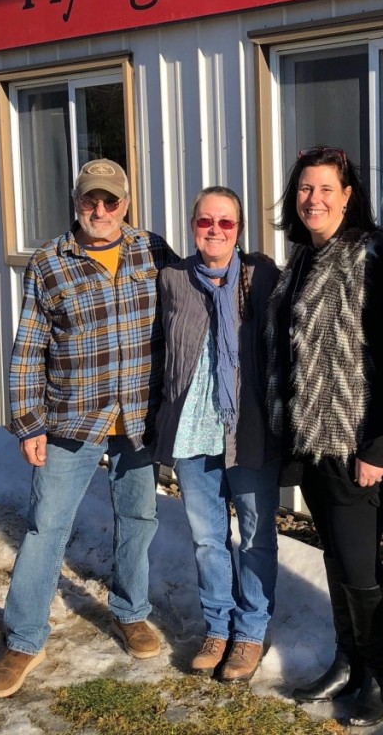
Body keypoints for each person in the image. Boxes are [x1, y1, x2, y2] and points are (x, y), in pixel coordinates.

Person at [0, 159, 177, 700]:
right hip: (72, 416)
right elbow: (28, 350)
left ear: (126, 203)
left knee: (138, 515)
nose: (100, 211)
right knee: (46, 526)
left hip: (137, 417)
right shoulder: (50, 262)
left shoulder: (152, 250)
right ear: (76, 202)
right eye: (89, 200)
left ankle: (129, 611)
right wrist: (28, 423)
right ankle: (24, 639)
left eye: (110, 201)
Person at [265, 146, 383, 727]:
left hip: (356, 442)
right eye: (304, 189)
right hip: (314, 441)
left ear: (348, 196)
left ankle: (382, 677)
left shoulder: (370, 257)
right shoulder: (302, 259)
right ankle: (347, 660)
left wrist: (377, 447)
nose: (313, 200)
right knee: (336, 558)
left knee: (361, 563)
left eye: (326, 189)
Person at [153, 186, 280, 682]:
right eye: (206, 221)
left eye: (226, 222)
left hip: (248, 429)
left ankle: (249, 633)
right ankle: (218, 627)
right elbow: (160, 350)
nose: (215, 230)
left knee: (254, 537)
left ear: (240, 229)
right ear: (192, 225)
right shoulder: (173, 279)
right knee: (208, 538)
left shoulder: (262, 275)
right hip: (193, 428)